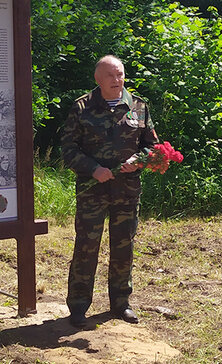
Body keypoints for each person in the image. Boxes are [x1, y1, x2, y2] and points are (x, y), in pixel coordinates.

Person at [61, 55, 158, 327]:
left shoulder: (138, 106)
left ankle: (121, 303)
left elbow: (152, 146)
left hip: (127, 190)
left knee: (124, 245)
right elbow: (68, 150)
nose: (117, 81)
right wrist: (93, 169)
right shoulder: (82, 107)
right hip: (93, 190)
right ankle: (78, 307)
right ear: (98, 79)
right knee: (86, 246)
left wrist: (139, 160)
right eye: (111, 76)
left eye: (120, 75)